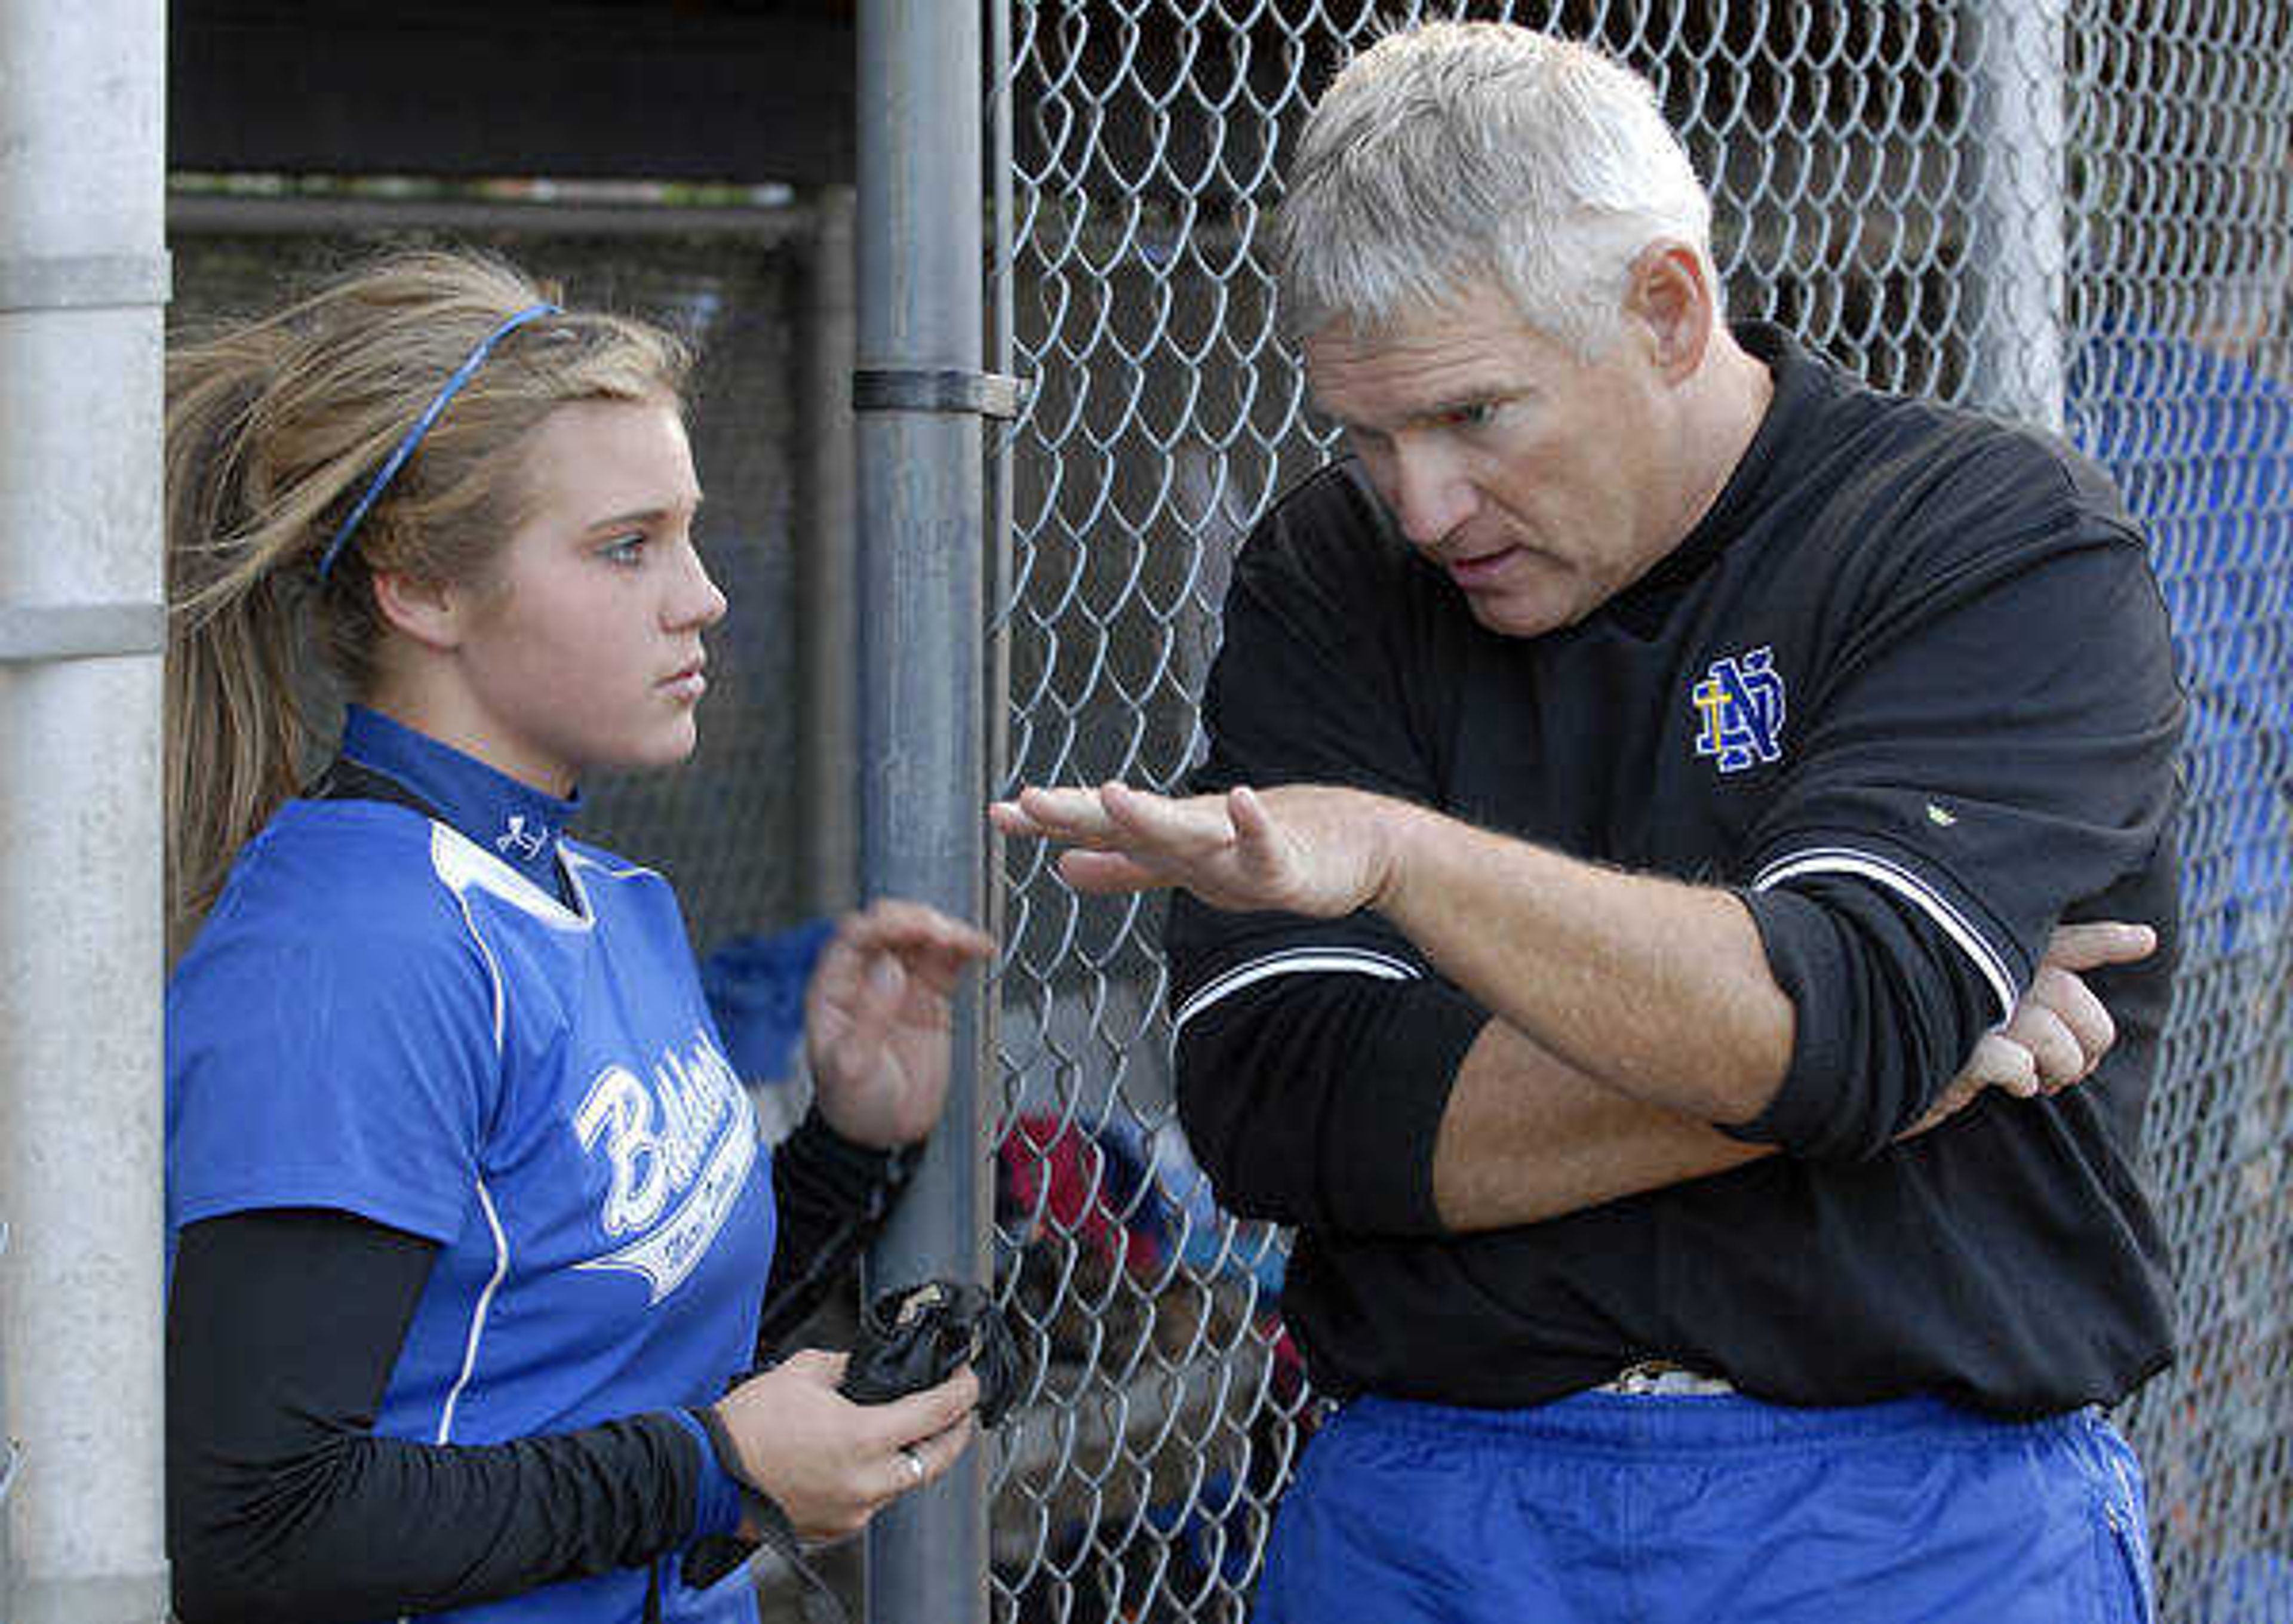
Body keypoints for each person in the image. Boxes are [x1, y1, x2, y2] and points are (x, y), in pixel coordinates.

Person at [992, 21, 2184, 1622]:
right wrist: (1863, 1064)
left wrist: (1411, 864)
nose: (1420, 506)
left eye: (1476, 415)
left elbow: (1837, 1019)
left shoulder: (1983, 535)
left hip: (1907, 1513)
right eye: (1365, 432)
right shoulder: (1335, 575)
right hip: (1439, 1502)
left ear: (1668, 311)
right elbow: (1288, 1109)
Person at [162, 248, 994, 1624]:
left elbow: (595, 1345)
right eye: (626, 546)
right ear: (420, 589)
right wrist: (720, 1468)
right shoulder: (348, 950)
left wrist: (849, 1145)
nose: (703, 595)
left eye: (689, 530)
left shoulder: (601, 890)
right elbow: (258, 1523)